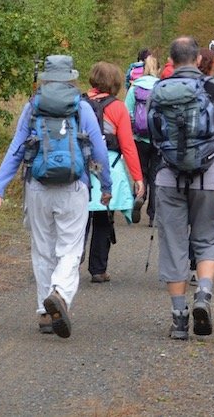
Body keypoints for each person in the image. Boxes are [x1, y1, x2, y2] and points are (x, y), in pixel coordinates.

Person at [0, 54, 111, 339]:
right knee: (70, 248)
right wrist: (106, 185)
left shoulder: (33, 107)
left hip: (38, 187)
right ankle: (59, 293)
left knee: (43, 249)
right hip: (74, 187)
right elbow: (99, 150)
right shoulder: (82, 108)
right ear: (71, 77)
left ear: (45, 78)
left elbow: (17, 149)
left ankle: (45, 314)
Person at [149, 35, 214, 340]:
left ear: (170, 61)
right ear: (199, 59)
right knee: (208, 237)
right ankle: (204, 295)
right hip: (207, 175)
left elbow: (152, 134)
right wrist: (208, 155)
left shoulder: (159, 90)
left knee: (173, 243)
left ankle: (178, 319)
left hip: (168, 176)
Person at [83, 61, 145, 282]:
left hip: (82, 166)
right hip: (107, 168)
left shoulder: (80, 103)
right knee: (103, 217)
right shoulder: (117, 108)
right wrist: (138, 178)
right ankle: (98, 269)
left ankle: (72, 260)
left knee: (80, 217)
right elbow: (128, 146)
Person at [125, 52, 161, 225]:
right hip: (157, 138)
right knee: (155, 175)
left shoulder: (134, 87)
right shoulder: (161, 87)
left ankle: (139, 196)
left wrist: (133, 129)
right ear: (158, 69)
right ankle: (153, 214)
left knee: (140, 173)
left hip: (139, 137)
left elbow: (127, 112)